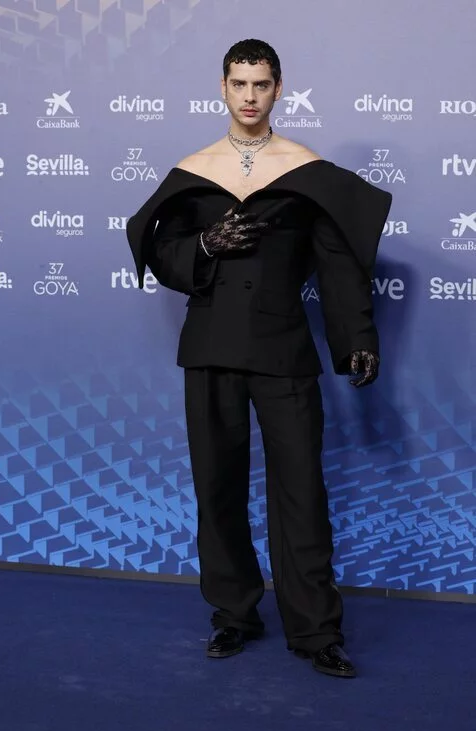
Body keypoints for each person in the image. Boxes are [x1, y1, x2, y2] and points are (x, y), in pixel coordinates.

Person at [126, 39, 392, 678]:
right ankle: (233, 616)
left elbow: (338, 263)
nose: (250, 96)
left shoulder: (305, 170)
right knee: (217, 486)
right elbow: (162, 254)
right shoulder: (197, 169)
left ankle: (316, 630)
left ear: (279, 89)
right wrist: (205, 244)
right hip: (211, 345)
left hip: (283, 346)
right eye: (239, 84)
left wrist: (356, 337)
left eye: (262, 84)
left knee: (301, 490)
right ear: (223, 87)